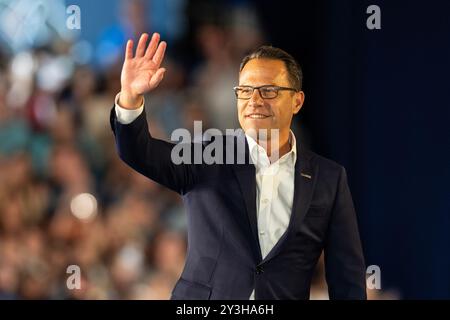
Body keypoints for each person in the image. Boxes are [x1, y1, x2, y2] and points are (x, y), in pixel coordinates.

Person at [110, 32, 367, 299]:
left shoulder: (329, 178)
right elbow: (139, 152)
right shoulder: (208, 153)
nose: (254, 100)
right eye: (245, 90)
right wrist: (129, 97)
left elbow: (347, 276)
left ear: (297, 101)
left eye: (269, 91)